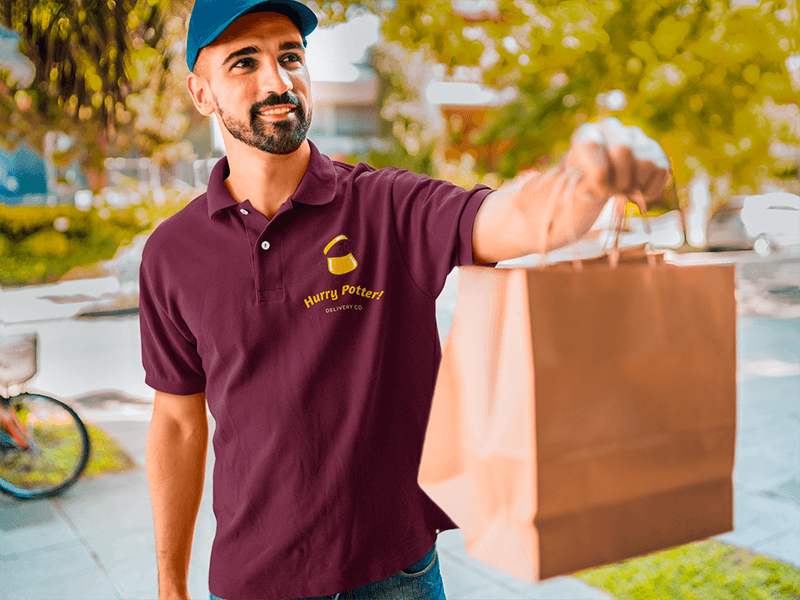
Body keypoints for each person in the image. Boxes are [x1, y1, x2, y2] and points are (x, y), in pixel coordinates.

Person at [140, 1, 671, 599]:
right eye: (244, 62)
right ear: (202, 93)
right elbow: (179, 424)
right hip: (253, 582)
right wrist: (170, 584)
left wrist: (587, 180)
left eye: (290, 56)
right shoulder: (171, 254)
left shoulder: (385, 205)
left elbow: (510, 217)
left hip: (396, 575)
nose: (278, 80)